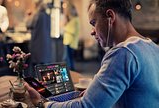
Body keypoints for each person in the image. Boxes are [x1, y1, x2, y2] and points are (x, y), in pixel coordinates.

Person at [24, 0, 159, 108]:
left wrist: (43, 104)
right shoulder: (152, 47)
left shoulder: (123, 53)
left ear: (110, 16)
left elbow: (86, 106)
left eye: (94, 23)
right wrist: (97, 92)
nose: (92, 31)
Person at [27, 0, 52, 77]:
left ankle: (36, 85)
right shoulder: (48, 15)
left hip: (37, 44)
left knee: (36, 68)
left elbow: (28, 25)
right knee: (44, 68)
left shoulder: (36, 15)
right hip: (46, 45)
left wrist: (28, 16)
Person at [62, 2, 80, 70]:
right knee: (69, 58)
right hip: (68, 41)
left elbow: (72, 31)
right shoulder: (72, 19)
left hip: (70, 41)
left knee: (67, 59)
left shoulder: (75, 19)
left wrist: (65, 28)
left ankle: (70, 73)